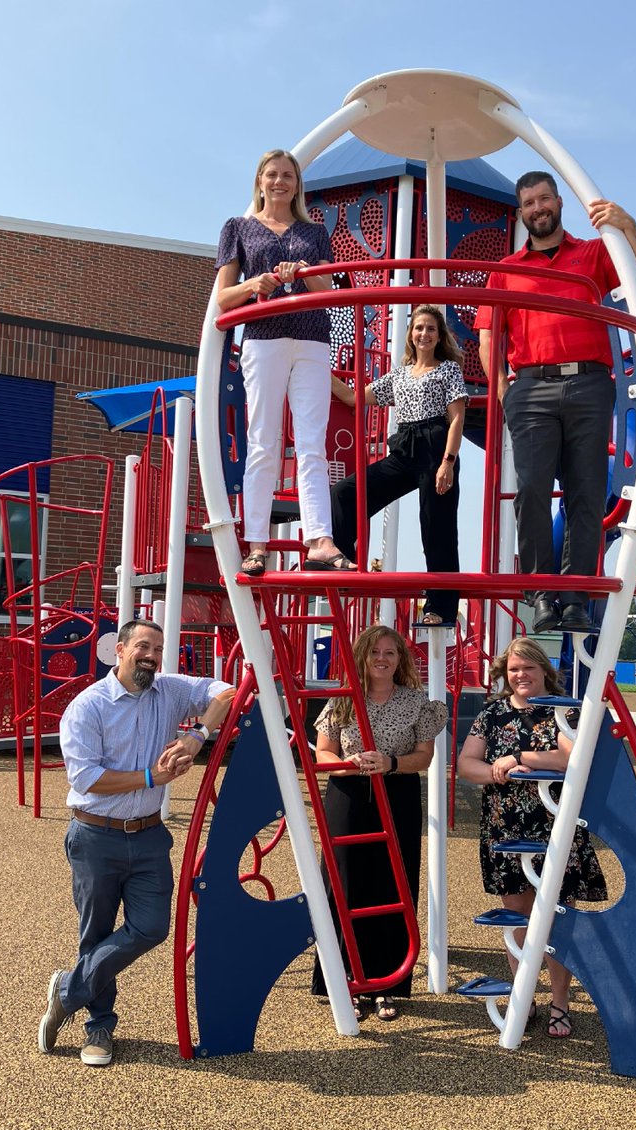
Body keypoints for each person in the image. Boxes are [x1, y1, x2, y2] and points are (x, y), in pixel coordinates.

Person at [38, 619, 236, 1066]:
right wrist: (153, 776)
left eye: (159, 648)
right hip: (95, 835)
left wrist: (196, 734)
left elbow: (228, 691)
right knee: (96, 933)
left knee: (151, 928)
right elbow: (85, 779)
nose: (151, 655)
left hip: (147, 835)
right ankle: (99, 1028)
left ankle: (67, 991)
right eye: (143, 646)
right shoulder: (89, 707)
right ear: (120, 651)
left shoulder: (168, 690)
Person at [474, 171, 636, 634]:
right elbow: (487, 333)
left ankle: (575, 595)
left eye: (544, 199)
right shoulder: (507, 269)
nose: (538, 208)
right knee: (533, 488)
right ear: (521, 214)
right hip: (531, 387)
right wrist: (500, 388)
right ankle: (540, 592)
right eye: (529, 203)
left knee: (587, 490)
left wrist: (628, 226)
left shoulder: (593, 253)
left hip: (590, 383)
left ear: (558, 202)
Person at [457, 637, 607, 1037]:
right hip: (505, 827)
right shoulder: (492, 714)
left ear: (543, 670)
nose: (520, 675)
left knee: (558, 917)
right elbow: (466, 764)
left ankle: (561, 1000)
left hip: (554, 827)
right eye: (513, 670)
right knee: (518, 916)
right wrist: (495, 772)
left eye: (527, 668)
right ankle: (524, 997)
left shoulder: (560, 711)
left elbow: (574, 756)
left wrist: (519, 759)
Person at [216, 149, 353, 576]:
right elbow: (222, 297)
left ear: (297, 184)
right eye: (272, 174)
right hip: (264, 339)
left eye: (288, 175)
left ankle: (320, 540)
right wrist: (254, 283)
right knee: (263, 441)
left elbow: (326, 287)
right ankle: (257, 543)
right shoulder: (238, 228)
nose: (280, 182)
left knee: (312, 442)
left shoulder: (314, 231)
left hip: (311, 339)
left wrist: (303, 270)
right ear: (259, 181)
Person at [311, 625, 447, 1020]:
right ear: (363, 657)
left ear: (401, 660)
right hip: (349, 795)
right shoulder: (342, 701)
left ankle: (386, 984)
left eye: (391, 653)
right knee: (345, 882)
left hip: (397, 792)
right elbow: (323, 755)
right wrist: (350, 765)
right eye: (375, 653)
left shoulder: (417, 703)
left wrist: (389, 763)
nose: (382, 660)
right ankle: (345, 980)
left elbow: (424, 757)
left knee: (394, 882)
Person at [330, 304, 467, 625]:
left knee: (437, 526)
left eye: (431, 329)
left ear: (439, 336)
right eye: (419, 328)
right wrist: (319, 370)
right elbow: (354, 398)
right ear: (410, 334)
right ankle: (344, 566)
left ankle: (441, 607)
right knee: (345, 492)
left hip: (436, 445)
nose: (424, 334)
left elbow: (457, 417)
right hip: (405, 446)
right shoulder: (400, 374)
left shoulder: (447, 370)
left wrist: (448, 461)